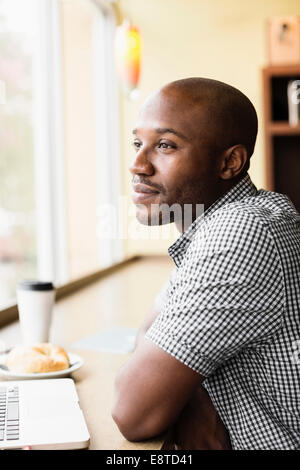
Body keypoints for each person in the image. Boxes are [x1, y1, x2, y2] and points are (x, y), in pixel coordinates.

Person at [111, 77, 300, 450]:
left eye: (165, 145)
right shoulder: (236, 219)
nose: (137, 165)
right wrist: (194, 392)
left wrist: (182, 389)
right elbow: (151, 335)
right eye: (137, 143)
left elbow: (131, 411)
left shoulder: (241, 230)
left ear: (230, 162)